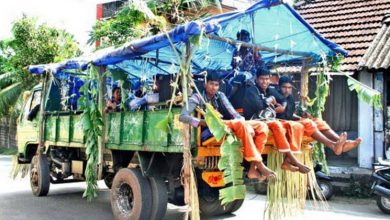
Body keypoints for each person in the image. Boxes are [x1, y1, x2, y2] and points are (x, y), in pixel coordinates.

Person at [179, 71, 276, 181]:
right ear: (205, 84)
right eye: (211, 84)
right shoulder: (197, 97)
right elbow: (182, 116)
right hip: (212, 129)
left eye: (216, 85)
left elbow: (233, 113)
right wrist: (202, 122)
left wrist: (246, 124)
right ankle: (259, 164)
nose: (213, 87)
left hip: (226, 124)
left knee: (261, 126)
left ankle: (253, 167)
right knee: (239, 124)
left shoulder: (220, 95)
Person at [242, 68, 314, 173]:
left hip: (266, 121)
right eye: (262, 79)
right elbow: (258, 106)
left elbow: (282, 99)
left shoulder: (270, 90)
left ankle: (288, 160)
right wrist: (270, 99)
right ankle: (294, 161)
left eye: (267, 79)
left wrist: (283, 107)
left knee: (298, 125)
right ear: (257, 79)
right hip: (254, 121)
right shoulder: (251, 90)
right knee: (278, 124)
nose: (265, 81)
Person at [277, 75, 362, 155]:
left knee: (318, 122)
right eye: (284, 87)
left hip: (290, 121)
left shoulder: (290, 98)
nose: (287, 90)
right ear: (279, 87)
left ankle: (341, 142)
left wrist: (301, 117)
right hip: (281, 124)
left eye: (289, 87)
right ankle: (333, 145)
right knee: (308, 123)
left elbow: (290, 115)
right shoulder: (275, 96)